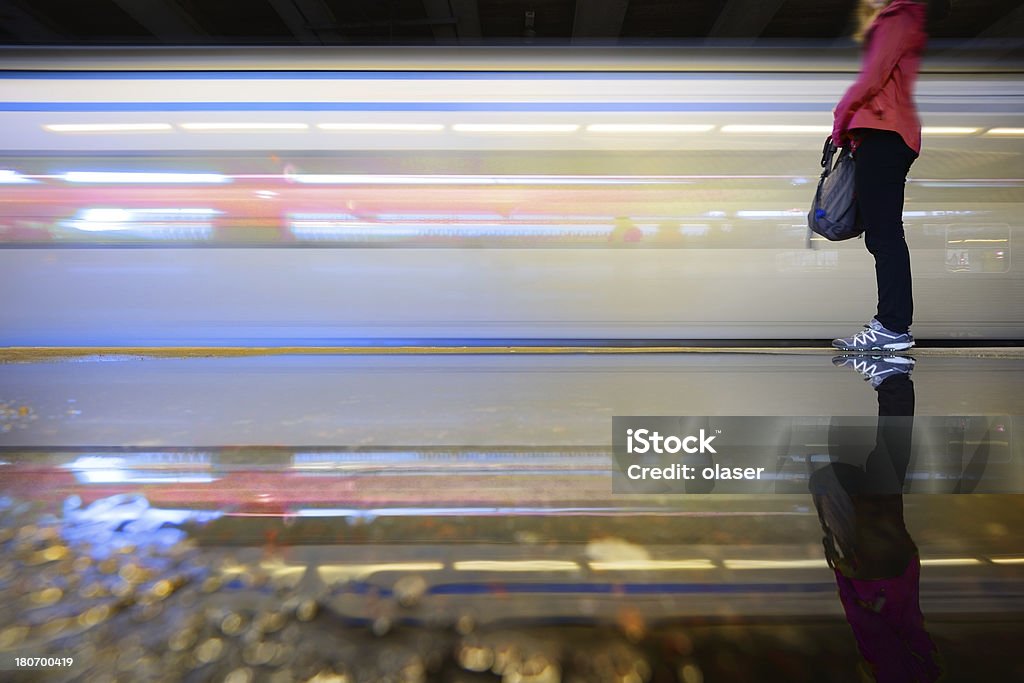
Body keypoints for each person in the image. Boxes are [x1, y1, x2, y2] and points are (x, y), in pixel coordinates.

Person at [831, 0, 930, 352]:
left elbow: (872, 77)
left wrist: (840, 121)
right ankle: (892, 325)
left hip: (884, 134)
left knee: (884, 237)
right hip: (885, 135)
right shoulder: (900, 16)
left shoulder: (898, 15)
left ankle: (892, 327)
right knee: (883, 235)